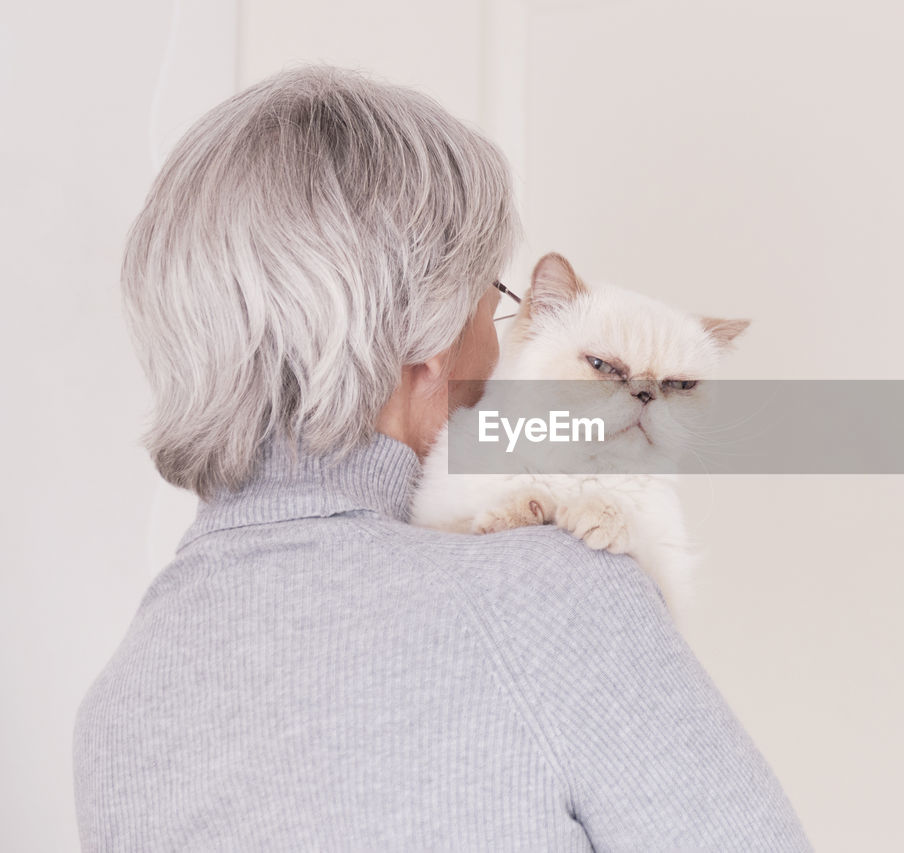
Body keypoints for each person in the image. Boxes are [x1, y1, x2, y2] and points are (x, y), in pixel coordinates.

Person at [73, 64, 812, 851]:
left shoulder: (121, 701)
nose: (497, 343)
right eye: (492, 300)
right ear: (426, 339)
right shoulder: (548, 591)